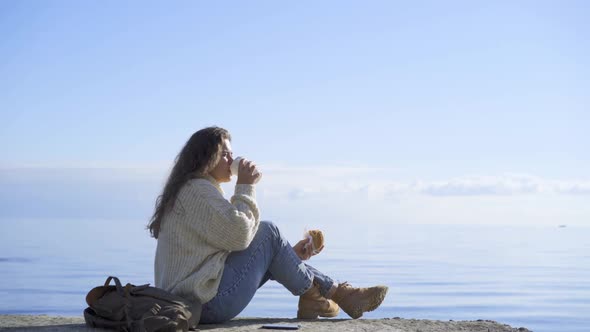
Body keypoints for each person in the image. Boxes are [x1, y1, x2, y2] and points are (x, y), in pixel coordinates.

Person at [148, 126, 388, 324]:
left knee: (271, 243)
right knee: (268, 232)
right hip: (203, 305)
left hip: (199, 300)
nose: (232, 160)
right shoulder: (197, 191)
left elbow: (228, 249)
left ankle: (320, 296)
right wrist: (245, 186)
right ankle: (336, 294)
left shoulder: (194, 190)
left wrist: (287, 257)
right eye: (225, 154)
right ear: (205, 159)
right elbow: (241, 235)